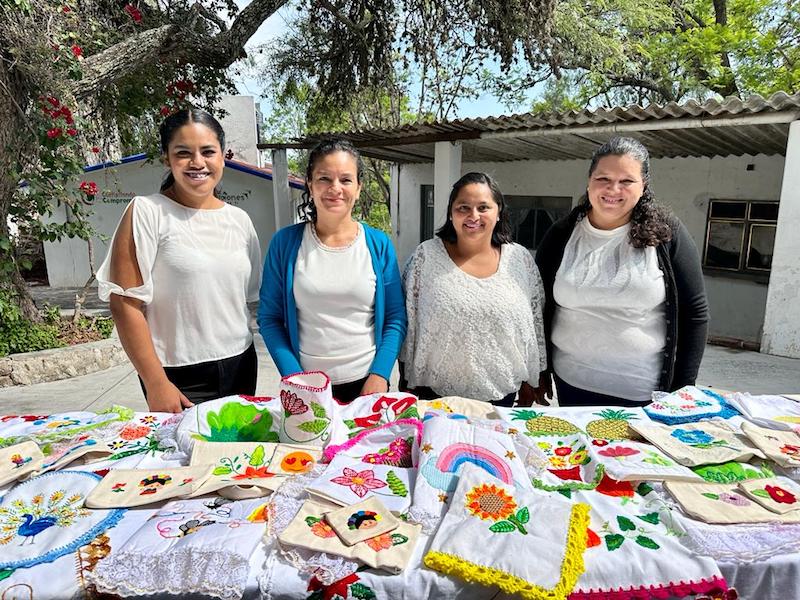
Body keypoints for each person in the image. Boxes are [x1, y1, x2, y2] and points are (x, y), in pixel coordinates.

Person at [97, 109, 261, 412]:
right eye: (183, 153)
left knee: (237, 456)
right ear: (166, 158)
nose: (197, 162)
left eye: (208, 151)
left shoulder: (239, 220)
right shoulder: (147, 212)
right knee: (184, 458)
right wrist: (157, 383)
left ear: (223, 156)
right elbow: (124, 304)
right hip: (178, 376)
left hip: (241, 364)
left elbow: (246, 300)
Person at [535, 136, 708, 407]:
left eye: (626, 181)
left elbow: (695, 313)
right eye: (603, 178)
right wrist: (540, 369)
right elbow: (538, 306)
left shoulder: (666, 234)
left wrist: (684, 389)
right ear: (589, 181)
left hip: (643, 394)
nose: (613, 188)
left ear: (643, 186)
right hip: (571, 385)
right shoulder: (561, 234)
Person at [258, 139, 406, 403]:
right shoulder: (285, 243)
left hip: (367, 386)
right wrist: (295, 378)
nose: (335, 188)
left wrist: (380, 374)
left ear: (359, 188)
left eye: (346, 180)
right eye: (324, 178)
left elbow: (395, 317)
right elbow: (269, 319)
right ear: (310, 185)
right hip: (305, 386)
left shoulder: (378, 244)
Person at [400, 172, 548, 407]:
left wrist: (533, 377)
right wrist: (406, 380)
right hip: (435, 396)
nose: (473, 216)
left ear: (498, 211)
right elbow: (408, 317)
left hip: (502, 396)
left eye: (483, 207)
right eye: (463, 207)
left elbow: (533, 322)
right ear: (451, 212)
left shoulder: (520, 260)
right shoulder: (425, 257)